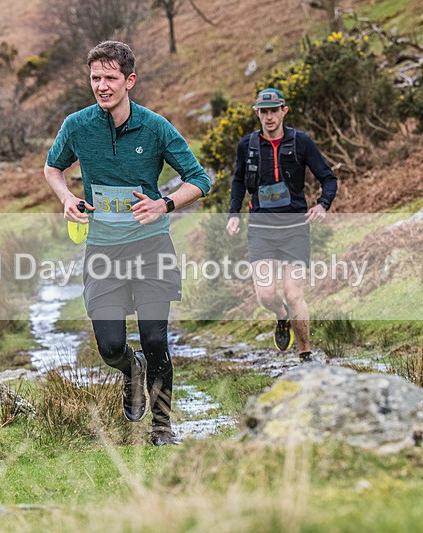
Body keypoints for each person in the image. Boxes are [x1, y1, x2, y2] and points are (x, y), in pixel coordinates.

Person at [44, 41, 211, 446]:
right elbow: (53, 168)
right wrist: (67, 198)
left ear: (129, 81)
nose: (101, 86)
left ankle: (162, 426)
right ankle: (130, 369)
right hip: (102, 252)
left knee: (156, 339)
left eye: (110, 78)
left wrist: (164, 204)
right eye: (95, 78)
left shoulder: (155, 127)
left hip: (151, 248)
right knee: (110, 345)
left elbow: (200, 179)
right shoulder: (77, 125)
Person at [226, 88, 337, 363]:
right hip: (261, 230)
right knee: (265, 294)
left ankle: (305, 353)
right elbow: (238, 181)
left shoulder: (301, 142)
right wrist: (233, 214)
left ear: (283, 111)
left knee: (293, 292)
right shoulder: (247, 145)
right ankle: (281, 315)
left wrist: (322, 204)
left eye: (274, 110)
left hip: (294, 229)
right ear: (257, 113)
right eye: (264, 112)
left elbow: (328, 177)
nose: (269, 117)